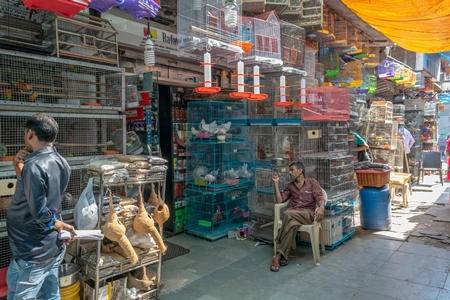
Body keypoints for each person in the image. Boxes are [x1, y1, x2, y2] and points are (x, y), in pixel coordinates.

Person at [6, 113, 77, 300]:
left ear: (30, 133)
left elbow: (39, 211)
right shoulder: (62, 163)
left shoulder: (34, 166)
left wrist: (59, 225)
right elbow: (39, 195)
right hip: (51, 247)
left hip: (32, 251)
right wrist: (18, 167)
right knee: (51, 295)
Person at [270, 161, 325, 272]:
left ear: (300, 171)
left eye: (292, 170)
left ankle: (278, 245)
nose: (290, 173)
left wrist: (322, 207)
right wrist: (276, 183)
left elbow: (319, 197)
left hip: (307, 214)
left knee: (286, 213)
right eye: (289, 170)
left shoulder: (312, 182)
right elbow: (280, 200)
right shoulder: (290, 186)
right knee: (292, 223)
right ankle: (280, 256)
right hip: (293, 216)